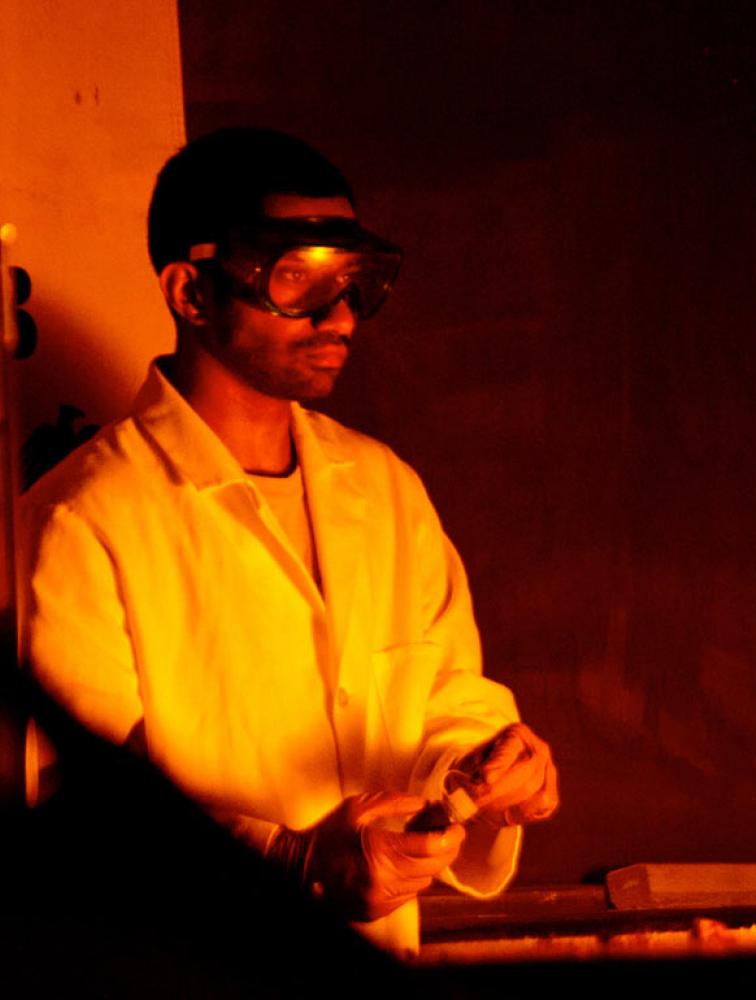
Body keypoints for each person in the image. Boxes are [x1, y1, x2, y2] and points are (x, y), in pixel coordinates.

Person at [17, 127, 558, 956]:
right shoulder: (84, 518)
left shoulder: (384, 491)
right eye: (296, 277)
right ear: (192, 292)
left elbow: (446, 695)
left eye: (352, 281)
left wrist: (479, 767)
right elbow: (80, 810)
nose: (338, 315)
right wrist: (293, 864)